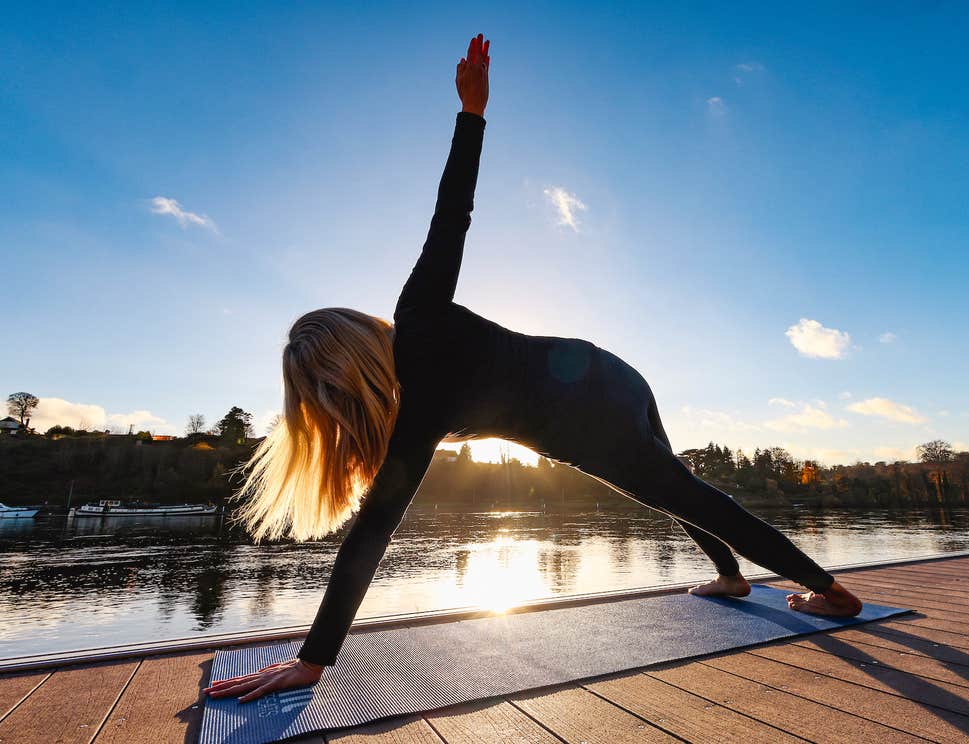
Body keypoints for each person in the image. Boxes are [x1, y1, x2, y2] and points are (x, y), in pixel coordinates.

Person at [205, 33, 863, 704]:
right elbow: (450, 216)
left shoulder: (416, 400)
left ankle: (831, 592)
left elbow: (370, 535)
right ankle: (732, 577)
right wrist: (472, 112)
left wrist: (313, 660)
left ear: (337, 387)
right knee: (673, 486)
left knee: (677, 491)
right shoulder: (416, 323)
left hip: (586, 412)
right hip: (603, 368)